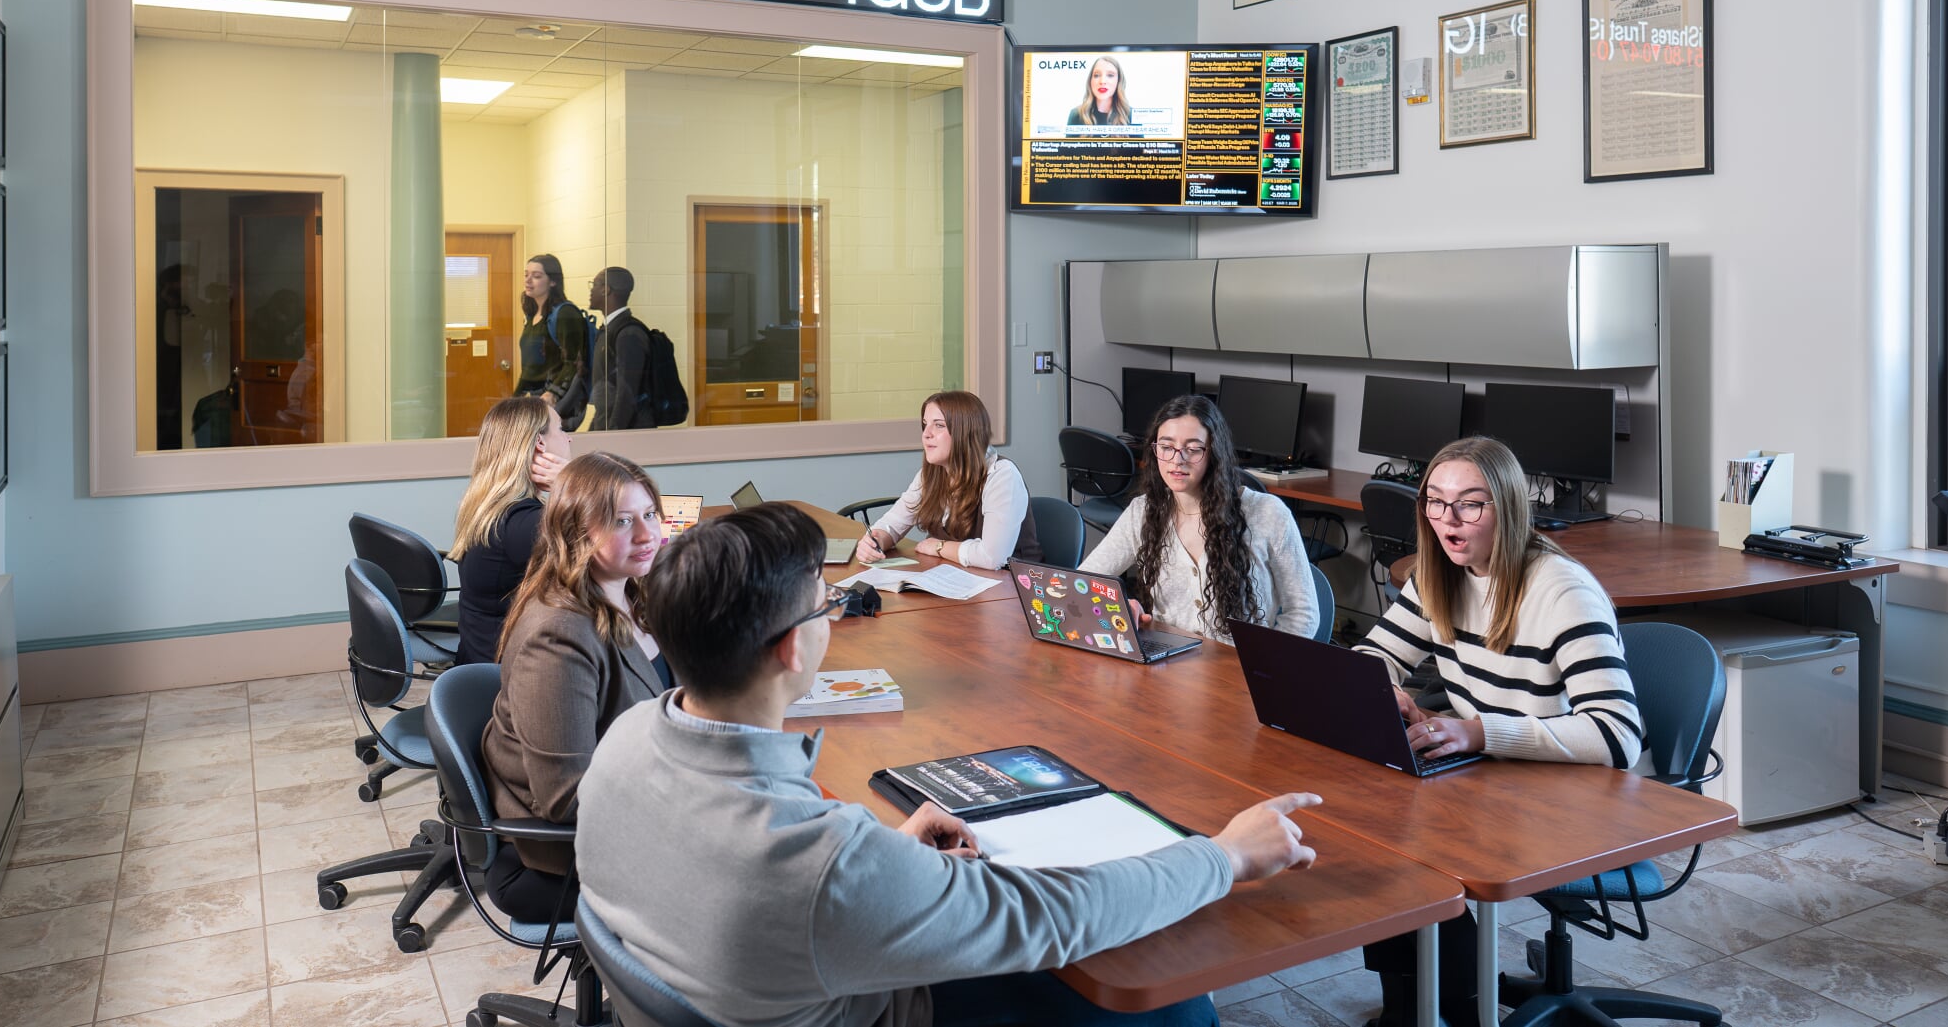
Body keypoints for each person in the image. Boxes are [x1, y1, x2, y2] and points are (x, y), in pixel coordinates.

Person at [574, 502, 1323, 1027]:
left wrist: (886, 861)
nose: (832, 615)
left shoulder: (628, 737)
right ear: (791, 649)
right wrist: (1223, 855)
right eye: (824, 604)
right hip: (846, 1005)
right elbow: (1055, 917)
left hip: (743, 984)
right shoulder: (818, 860)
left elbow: (778, 887)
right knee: (1163, 998)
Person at [1351, 435, 1645, 1027]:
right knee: (1373, 826)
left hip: (1571, 795)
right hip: (1491, 778)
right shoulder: (1438, 573)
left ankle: (1455, 1007)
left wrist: (1479, 733)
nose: (1447, 520)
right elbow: (1373, 654)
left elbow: (1618, 737)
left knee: (1415, 857)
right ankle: (1411, 1006)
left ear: (1507, 507)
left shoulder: (1561, 590)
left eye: (1470, 504)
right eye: (1434, 501)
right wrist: (1377, 685)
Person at [479, 452, 669, 928]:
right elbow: (568, 799)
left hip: (633, 817)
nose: (647, 535)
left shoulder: (629, 593)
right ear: (577, 533)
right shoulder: (560, 634)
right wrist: (691, 787)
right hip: (560, 861)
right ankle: (656, 1001)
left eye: (650, 515)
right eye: (624, 522)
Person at [1075, 394, 1315, 644]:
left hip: (1240, 669)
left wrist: (1268, 667)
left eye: (1192, 449)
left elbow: (1303, 614)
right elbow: (1082, 583)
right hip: (1169, 664)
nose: (1177, 460)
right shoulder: (1144, 511)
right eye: (1166, 447)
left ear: (1214, 452)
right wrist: (1119, 605)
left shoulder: (1267, 514)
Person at [446, 396, 573, 665]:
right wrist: (575, 484)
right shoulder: (524, 525)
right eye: (561, 429)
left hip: (482, 663)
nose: (568, 438)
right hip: (509, 682)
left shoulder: (489, 508)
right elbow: (608, 558)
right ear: (540, 443)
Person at [854, 390, 1041, 568]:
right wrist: (875, 541)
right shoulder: (931, 474)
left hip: (1012, 588)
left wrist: (939, 547)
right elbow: (893, 524)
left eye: (939, 425)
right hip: (957, 580)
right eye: (925, 424)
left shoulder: (1001, 475)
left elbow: (992, 558)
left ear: (965, 432)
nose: (926, 433)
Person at [514, 253, 591, 430]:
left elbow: (574, 362)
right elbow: (530, 367)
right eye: (526, 274)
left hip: (557, 402)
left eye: (537, 276)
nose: (528, 280)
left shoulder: (565, 314)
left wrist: (552, 394)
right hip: (535, 399)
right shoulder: (533, 315)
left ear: (553, 282)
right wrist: (515, 397)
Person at [587, 266, 655, 431]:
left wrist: (614, 434)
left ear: (605, 290)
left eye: (594, 284)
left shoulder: (628, 334)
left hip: (629, 432)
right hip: (607, 424)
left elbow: (627, 393)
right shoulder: (609, 329)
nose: (591, 291)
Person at [1066, 55, 1134, 127]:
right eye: (1097, 75)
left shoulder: (1131, 115)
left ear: (1119, 81)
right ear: (1090, 81)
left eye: (1110, 75)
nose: (1102, 81)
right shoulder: (1076, 114)